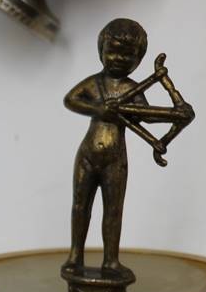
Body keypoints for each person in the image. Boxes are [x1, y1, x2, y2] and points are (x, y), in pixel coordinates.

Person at [61, 18, 154, 276]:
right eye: (112, 51)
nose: (118, 59)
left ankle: (111, 261)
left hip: (115, 160)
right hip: (87, 156)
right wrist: (99, 109)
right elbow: (71, 99)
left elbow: (147, 115)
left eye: (127, 55)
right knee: (80, 206)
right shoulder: (95, 83)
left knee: (113, 210)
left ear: (138, 59)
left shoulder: (131, 89)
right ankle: (75, 256)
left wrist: (178, 113)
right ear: (100, 51)